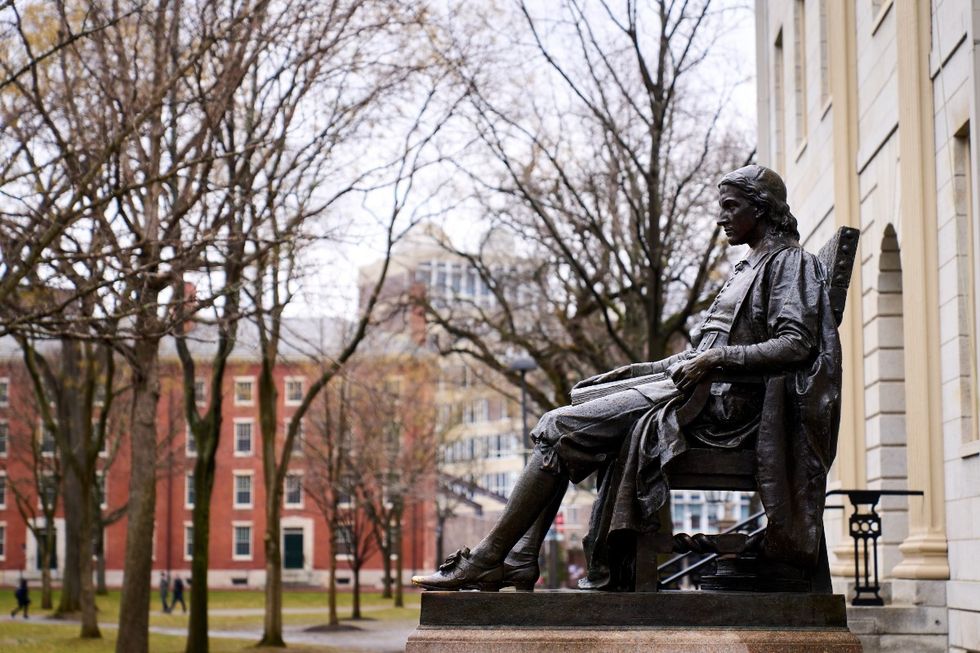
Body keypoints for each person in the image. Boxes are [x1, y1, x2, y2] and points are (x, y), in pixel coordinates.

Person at [412, 165, 842, 591]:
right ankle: (520, 558)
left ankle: (490, 558)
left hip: (724, 414)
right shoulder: (748, 266)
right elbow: (696, 355)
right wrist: (636, 371)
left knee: (557, 427)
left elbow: (796, 345)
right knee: (574, 407)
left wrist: (715, 359)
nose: (721, 217)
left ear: (761, 208)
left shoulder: (790, 263)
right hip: (695, 393)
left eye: (730, 207)